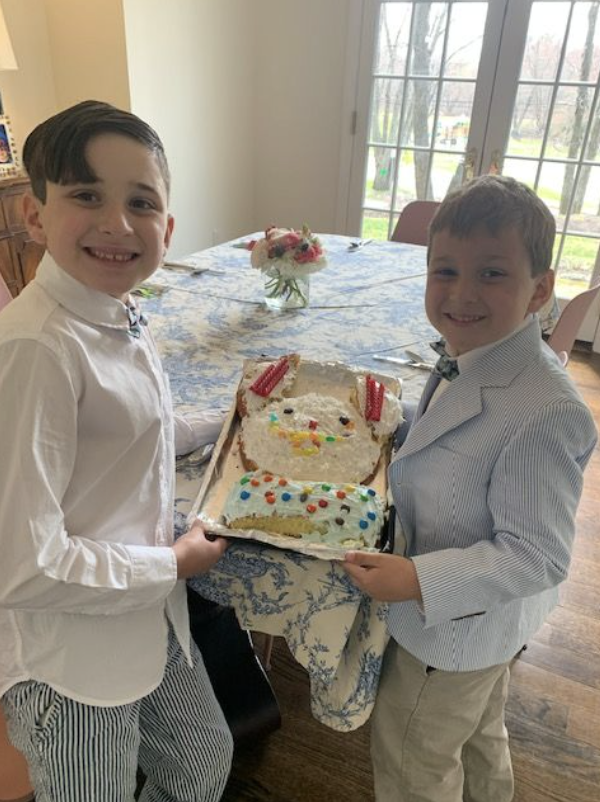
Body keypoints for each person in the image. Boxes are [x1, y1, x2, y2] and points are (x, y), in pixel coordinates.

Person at [0, 101, 233, 802]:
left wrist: (238, 419)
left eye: (141, 202)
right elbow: (25, 567)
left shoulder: (118, 308)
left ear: (168, 226)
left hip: (145, 616)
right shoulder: (38, 349)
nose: (116, 223)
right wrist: (173, 563)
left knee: (200, 758)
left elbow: (143, 424)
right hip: (71, 663)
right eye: (86, 196)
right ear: (36, 216)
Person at [343, 175, 597, 802]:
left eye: (491, 274)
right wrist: (398, 426)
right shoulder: (474, 348)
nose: (461, 293)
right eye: (445, 270)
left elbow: (536, 555)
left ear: (540, 290)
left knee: (415, 759)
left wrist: (416, 580)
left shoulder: (545, 409)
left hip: (450, 633)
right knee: (481, 729)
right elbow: (448, 428)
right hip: (489, 632)